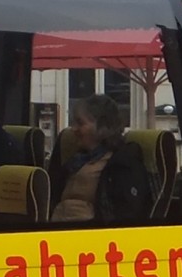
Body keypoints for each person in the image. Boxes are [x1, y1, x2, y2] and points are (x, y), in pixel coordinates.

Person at [50, 94, 152, 223]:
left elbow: (126, 213)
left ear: (102, 127)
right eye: (73, 122)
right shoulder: (73, 161)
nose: (73, 129)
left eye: (80, 123)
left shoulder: (122, 164)